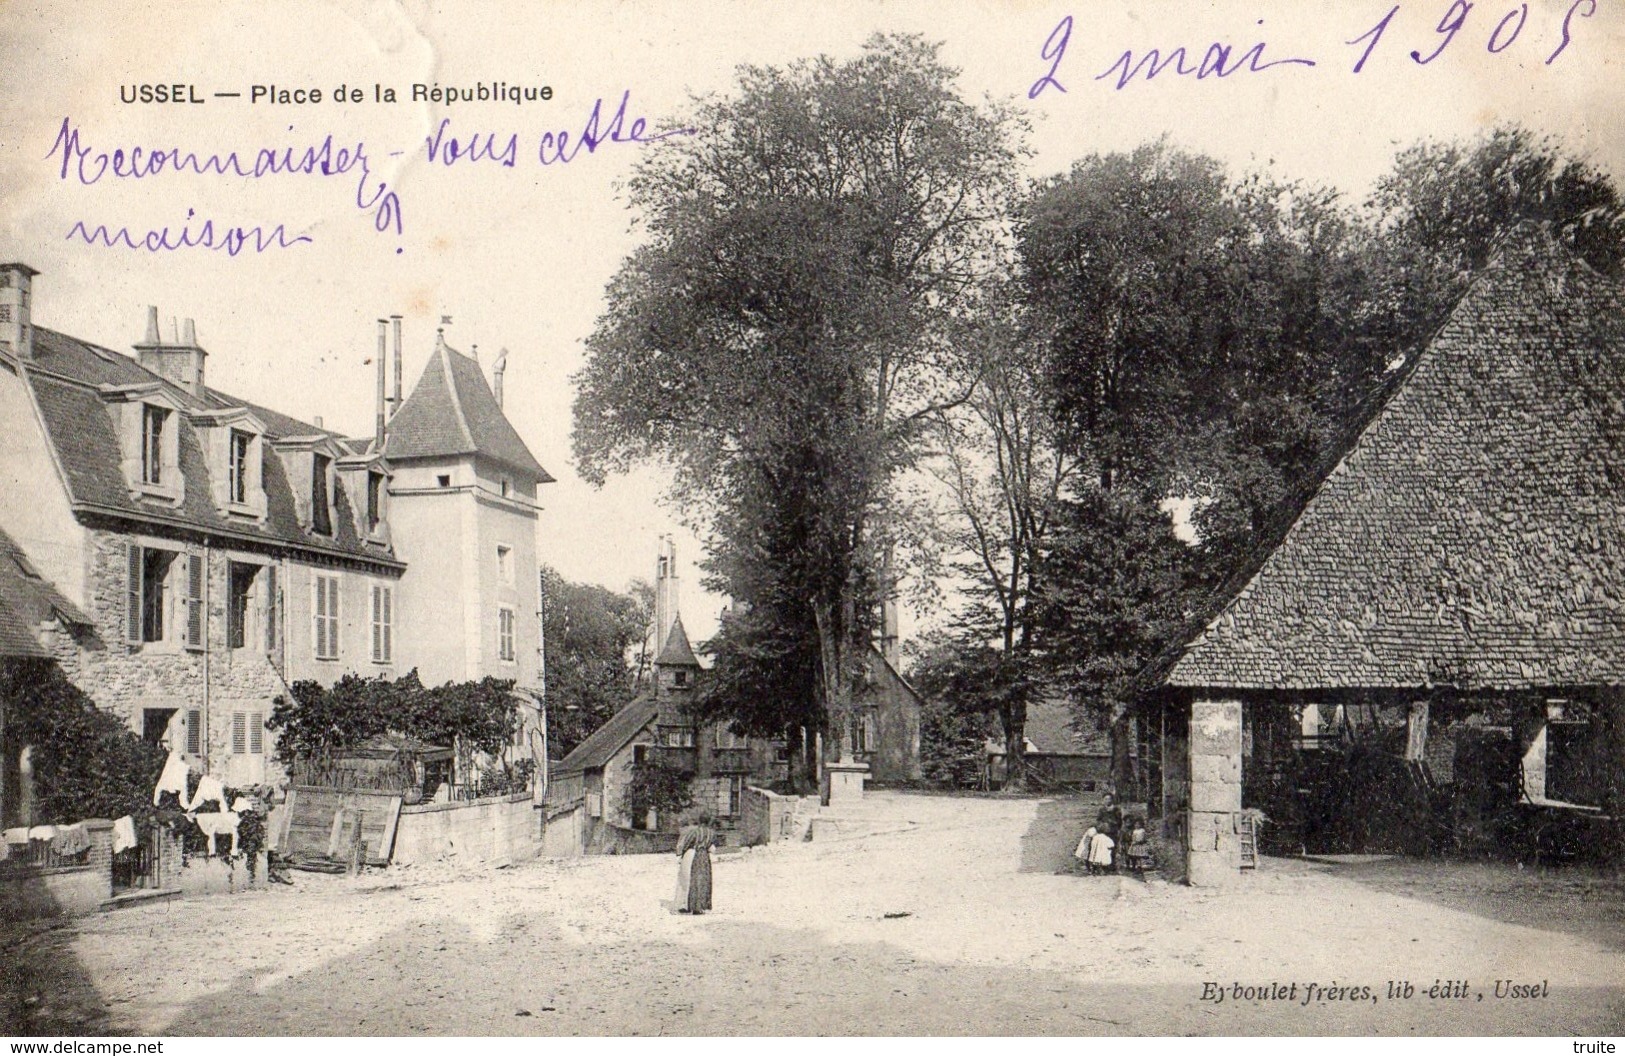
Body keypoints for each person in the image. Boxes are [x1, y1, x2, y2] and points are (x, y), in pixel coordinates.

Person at [674, 815, 717, 914]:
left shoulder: (695, 832)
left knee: (688, 879)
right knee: (703, 880)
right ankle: (700, 906)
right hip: (705, 857)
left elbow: (687, 843)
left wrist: (681, 854)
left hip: (692, 854)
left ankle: (688, 905)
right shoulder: (711, 833)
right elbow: (713, 846)